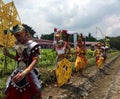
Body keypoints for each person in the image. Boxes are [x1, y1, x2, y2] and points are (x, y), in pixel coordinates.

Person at [3, 24, 42, 99]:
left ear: (24, 33)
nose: (17, 38)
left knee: (34, 91)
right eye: (15, 36)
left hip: (29, 71)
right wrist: (8, 54)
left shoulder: (32, 45)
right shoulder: (18, 44)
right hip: (18, 71)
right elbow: (19, 59)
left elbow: (35, 60)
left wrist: (25, 72)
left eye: (18, 35)